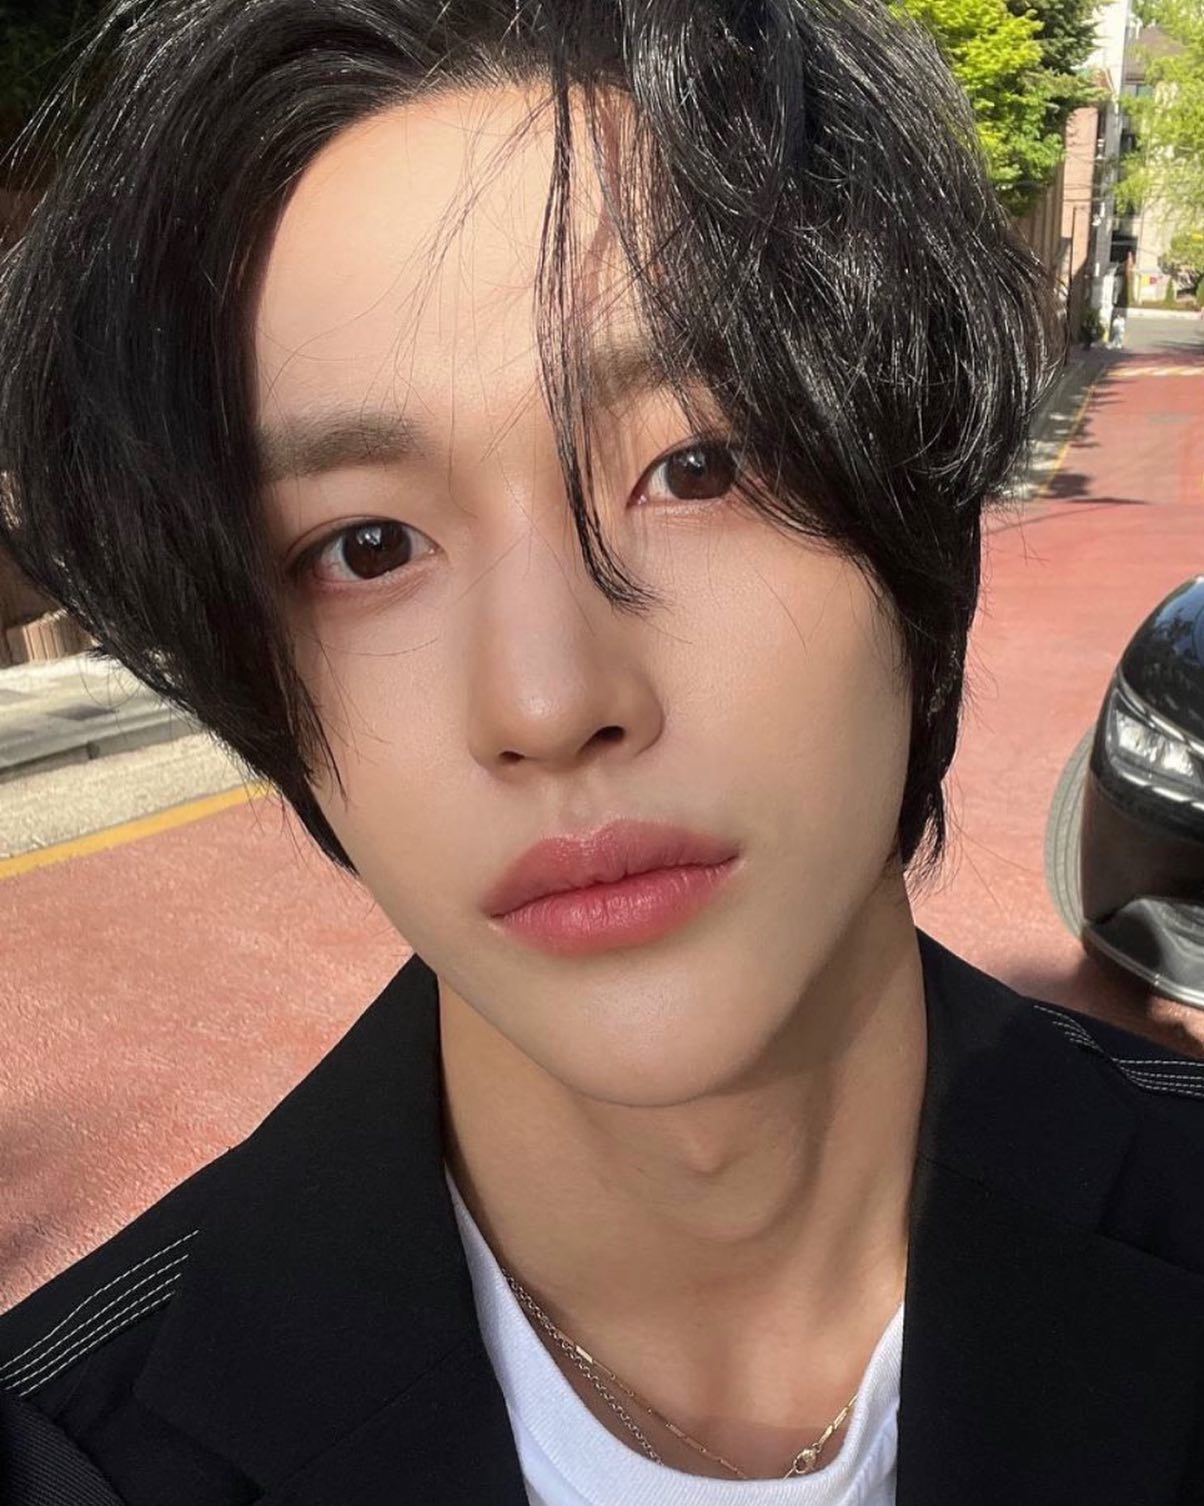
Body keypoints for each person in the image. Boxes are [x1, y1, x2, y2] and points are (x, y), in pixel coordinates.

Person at [1, 2, 1203, 1503]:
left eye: (698, 467)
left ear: (916, 504)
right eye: (366, 547)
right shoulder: (67, 1453)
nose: (548, 699)